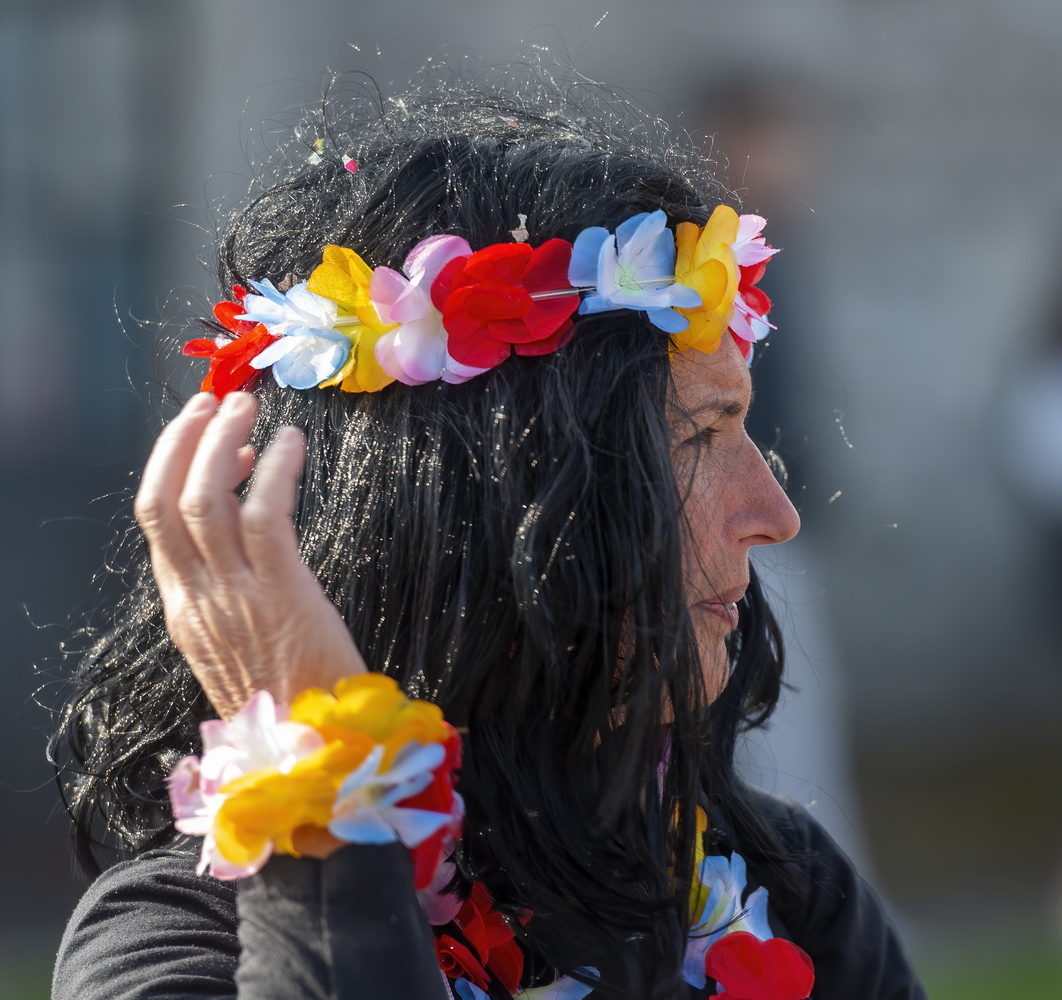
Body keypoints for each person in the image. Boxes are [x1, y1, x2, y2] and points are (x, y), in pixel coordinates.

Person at [49, 66, 925, 1000]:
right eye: (701, 435)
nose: (776, 514)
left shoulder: (791, 893)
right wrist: (320, 795)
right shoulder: (181, 943)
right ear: (488, 500)